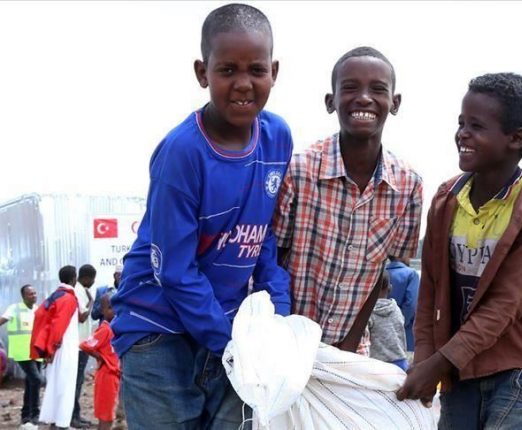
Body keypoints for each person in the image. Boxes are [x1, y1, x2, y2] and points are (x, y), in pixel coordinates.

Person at [110, 4, 292, 428]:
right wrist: (232, 344)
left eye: (257, 70)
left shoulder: (277, 138)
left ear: (274, 72)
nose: (243, 83)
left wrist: (276, 320)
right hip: (158, 330)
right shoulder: (183, 152)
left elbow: (263, 235)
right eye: (227, 70)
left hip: (225, 328)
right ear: (202, 72)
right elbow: (174, 271)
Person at [397, 72, 522, 429]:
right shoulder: (446, 200)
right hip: (460, 367)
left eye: (476, 126)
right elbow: (431, 287)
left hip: (518, 363)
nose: (463, 134)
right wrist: (424, 355)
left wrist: (438, 363)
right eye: (461, 123)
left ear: (516, 138)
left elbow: (507, 303)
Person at [273, 46, 423, 353]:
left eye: (377, 89)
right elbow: (275, 258)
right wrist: (283, 332)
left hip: (351, 345)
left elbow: (381, 272)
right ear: (331, 102)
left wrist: (348, 344)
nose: (364, 98)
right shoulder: (299, 171)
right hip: (285, 340)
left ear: (395, 103)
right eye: (351, 88)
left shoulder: (408, 186)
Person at [31, 265, 80, 429]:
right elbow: (58, 325)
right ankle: (62, 423)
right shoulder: (68, 298)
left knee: (55, 384)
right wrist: (51, 349)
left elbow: (43, 317)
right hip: (64, 347)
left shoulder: (55, 295)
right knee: (65, 385)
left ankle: (54, 420)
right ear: (73, 279)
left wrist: (48, 350)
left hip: (55, 347)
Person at [0, 284, 42, 425]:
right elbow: (2, 320)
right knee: (36, 380)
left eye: (34, 293)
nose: (34, 296)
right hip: (22, 352)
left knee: (31, 382)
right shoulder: (14, 308)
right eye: (30, 294)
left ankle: (27, 415)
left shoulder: (37, 310)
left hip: (36, 352)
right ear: (23, 296)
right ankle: (34, 414)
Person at [80, 294, 120, 430]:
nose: (114, 310)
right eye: (110, 307)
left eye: (116, 306)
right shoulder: (105, 329)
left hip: (114, 375)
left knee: (109, 413)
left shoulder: (115, 328)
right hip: (107, 376)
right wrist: (100, 357)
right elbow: (85, 345)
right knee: (106, 415)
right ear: (103, 311)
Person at [368, 270, 409, 371]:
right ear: (390, 288)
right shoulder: (396, 309)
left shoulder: (368, 313)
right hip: (401, 362)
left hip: (378, 365)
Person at [72, 264, 96, 428]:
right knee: (76, 382)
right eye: (93, 279)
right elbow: (82, 316)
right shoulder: (79, 291)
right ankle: (73, 417)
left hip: (82, 344)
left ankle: (77, 414)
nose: (93, 282)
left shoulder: (81, 290)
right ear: (87, 277)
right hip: (79, 345)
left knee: (78, 382)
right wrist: (92, 302)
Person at [385, 256, 420, 353]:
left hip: (382, 330)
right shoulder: (411, 274)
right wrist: (401, 323)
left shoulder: (382, 272)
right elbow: (411, 304)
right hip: (405, 331)